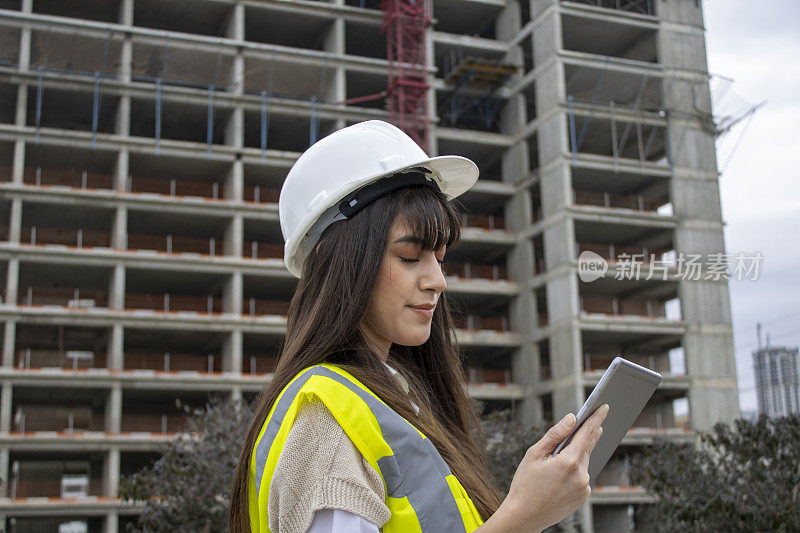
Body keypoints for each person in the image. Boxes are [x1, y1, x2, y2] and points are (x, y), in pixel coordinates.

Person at [229, 120, 609, 533]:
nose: (438, 280)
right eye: (410, 256)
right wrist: (522, 516)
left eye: (439, 257)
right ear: (338, 261)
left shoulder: (392, 401)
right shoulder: (325, 419)